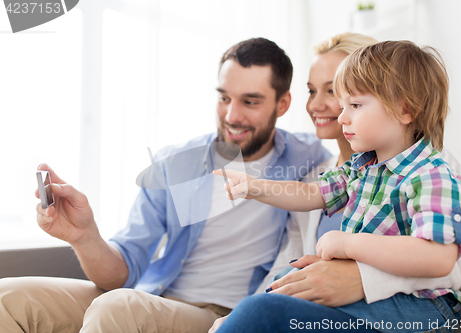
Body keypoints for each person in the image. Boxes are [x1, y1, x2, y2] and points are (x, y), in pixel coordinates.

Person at [0, 38, 334, 333]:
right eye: (223, 98)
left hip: (221, 314)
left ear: (283, 104)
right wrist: (84, 236)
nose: (231, 115)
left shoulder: (310, 159)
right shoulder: (175, 164)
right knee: (8, 297)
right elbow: (121, 273)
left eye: (250, 101)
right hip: (152, 295)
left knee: (117, 308)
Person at [214, 40, 461, 332]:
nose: (342, 117)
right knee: (287, 277)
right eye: (343, 106)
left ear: (406, 110)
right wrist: (255, 186)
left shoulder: (432, 176)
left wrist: (349, 244)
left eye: (354, 105)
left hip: (423, 309)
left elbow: (439, 257)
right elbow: (311, 193)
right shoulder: (362, 167)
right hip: (381, 301)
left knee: (261, 311)